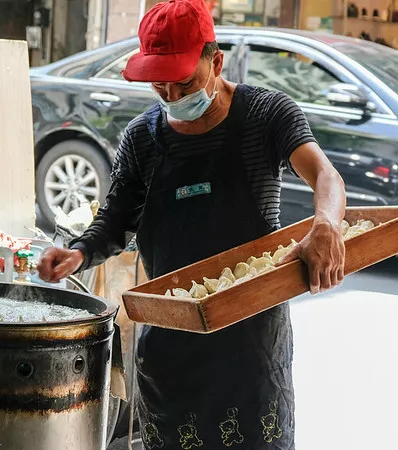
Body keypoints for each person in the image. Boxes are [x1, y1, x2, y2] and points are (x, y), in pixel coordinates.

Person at [38, 0, 346, 448]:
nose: (174, 97)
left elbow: (325, 176)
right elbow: (115, 220)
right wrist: (79, 252)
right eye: (160, 86)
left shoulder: (266, 116)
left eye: (185, 82)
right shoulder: (143, 139)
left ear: (215, 61)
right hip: (171, 346)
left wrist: (327, 225)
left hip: (251, 351)